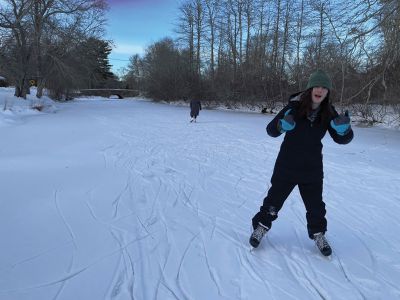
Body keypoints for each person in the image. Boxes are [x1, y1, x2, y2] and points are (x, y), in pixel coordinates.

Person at [249, 70, 353, 256]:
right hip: (287, 165)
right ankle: (261, 226)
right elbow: (271, 130)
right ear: (310, 88)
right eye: (317, 86)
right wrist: (281, 125)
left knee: (315, 206)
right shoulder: (294, 107)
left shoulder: (328, 112)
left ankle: (318, 234)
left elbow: (340, 138)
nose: (320, 90)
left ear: (328, 92)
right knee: (273, 201)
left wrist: (345, 132)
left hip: (312, 168)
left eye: (324, 87)